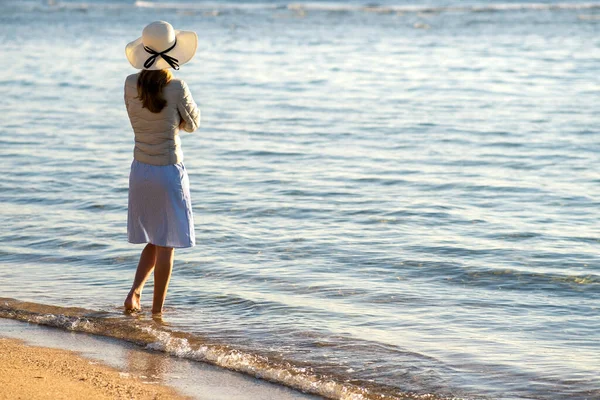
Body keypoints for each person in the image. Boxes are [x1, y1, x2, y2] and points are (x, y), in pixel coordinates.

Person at [122, 21, 201, 314]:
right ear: (174, 54)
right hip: (167, 170)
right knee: (166, 244)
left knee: (154, 240)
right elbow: (193, 125)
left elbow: (137, 116)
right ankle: (158, 312)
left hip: (140, 169)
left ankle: (134, 294)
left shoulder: (130, 83)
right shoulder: (177, 86)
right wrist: (176, 121)